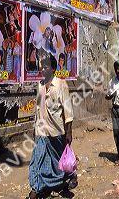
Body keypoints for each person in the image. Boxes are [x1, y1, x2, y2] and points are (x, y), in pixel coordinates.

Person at [28, 55, 76, 199]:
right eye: (42, 66)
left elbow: (68, 111)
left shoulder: (61, 85)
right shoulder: (40, 85)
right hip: (41, 131)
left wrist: (69, 132)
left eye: (46, 66)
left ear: (53, 69)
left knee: (58, 162)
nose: (43, 69)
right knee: (37, 159)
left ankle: (68, 178)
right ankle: (35, 189)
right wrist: (34, 127)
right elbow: (37, 108)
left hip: (57, 131)